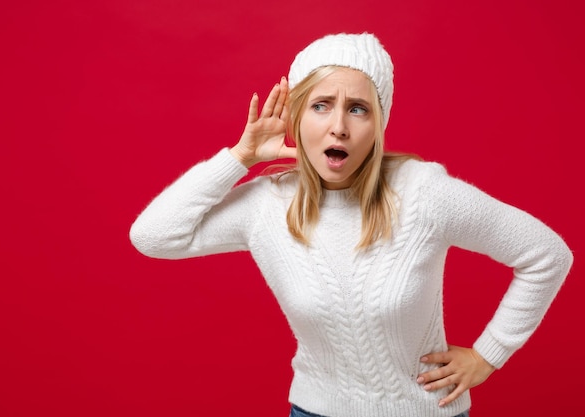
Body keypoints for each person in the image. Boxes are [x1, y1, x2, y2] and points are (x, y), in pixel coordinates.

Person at [129, 33, 573, 417]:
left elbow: (546, 254)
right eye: (321, 105)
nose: (338, 126)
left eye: (358, 109)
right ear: (298, 117)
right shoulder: (267, 206)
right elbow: (153, 236)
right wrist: (238, 157)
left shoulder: (423, 193)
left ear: (379, 125)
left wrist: (488, 355)